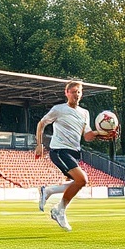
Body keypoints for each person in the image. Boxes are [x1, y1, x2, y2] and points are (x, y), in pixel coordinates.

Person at [35, 80, 117, 231]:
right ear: (66, 93)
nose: (76, 95)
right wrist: (39, 144)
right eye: (73, 92)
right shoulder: (59, 109)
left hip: (74, 152)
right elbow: (41, 124)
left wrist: (101, 133)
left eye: (78, 92)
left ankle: (48, 192)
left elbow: (87, 136)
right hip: (59, 150)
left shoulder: (84, 113)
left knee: (77, 183)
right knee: (82, 179)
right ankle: (59, 210)